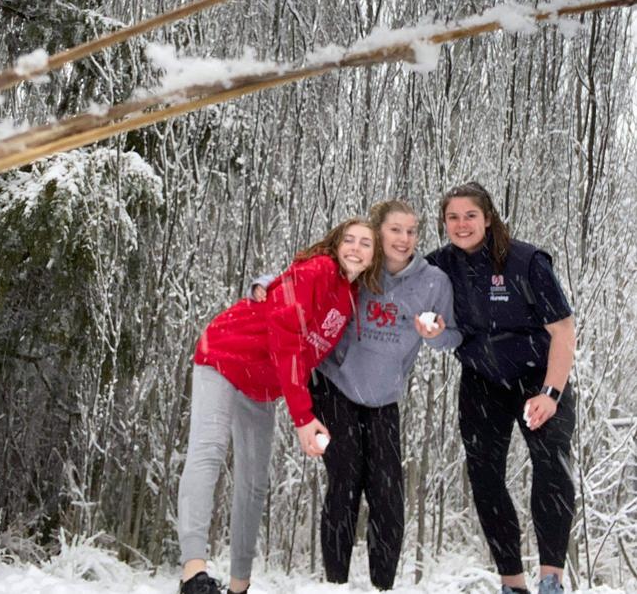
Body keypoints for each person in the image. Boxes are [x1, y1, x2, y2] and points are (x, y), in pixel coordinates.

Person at [251, 199, 461, 589]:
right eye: (395, 230)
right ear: (377, 233)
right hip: (335, 386)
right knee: (345, 479)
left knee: (387, 493)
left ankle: (383, 586)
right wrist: (264, 282)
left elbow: (453, 336)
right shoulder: (361, 266)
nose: (404, 238)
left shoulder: (433, 282)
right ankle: (335, 584)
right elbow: (303, 273)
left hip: (384, 397)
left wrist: (435, 335)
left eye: (411, 231)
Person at [178, 218, 382, 594]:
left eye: (365, 243)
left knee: (254, 484)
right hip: (225, 355)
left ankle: (239, 586)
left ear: (373, 257)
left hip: (263, 385)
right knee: (207, 454)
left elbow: (316, 359)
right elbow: (286, 336)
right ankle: (193, 573)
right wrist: (303, 417)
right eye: (348, 239)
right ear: (336, 245)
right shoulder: (318, 270)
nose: (355, 247)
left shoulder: (349, 299)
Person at [423, 182, 576, 594]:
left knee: (550, 464)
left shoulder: (526, 261)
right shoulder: (439, 267)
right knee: (485, 476)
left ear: (487, 218)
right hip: (481, 379)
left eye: (470, 215)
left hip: (537, 377)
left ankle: (551, 580)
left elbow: (563, 331)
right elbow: (393, 282)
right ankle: (513, 583)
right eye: (452, 217)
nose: (461, 224)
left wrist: (550, 393)